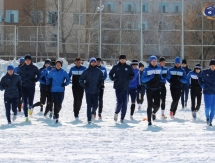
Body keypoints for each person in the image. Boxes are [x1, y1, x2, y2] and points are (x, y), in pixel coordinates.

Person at [109, 55, 134, 123]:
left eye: (124, 59)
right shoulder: (116, 67)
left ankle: (122, 118)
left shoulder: (128, 67)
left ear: (125, 60)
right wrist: (113, 79)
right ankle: (116, 113)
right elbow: (110, 74)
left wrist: (130, 77)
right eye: (121, 59)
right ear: (119, 60)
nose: (122, 60)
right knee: (120, 102)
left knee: (125, 104)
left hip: (126, 88)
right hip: (118, 87)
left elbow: (132, 75)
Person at [79, 57, 104, 124]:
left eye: (94, 62)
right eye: (92, 62)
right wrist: (85, 85)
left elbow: (102, 79)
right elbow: (80, 80)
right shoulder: (86, 71)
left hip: (96, 91)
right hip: (88, 91)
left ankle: (93, 113)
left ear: (96, 63)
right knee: (89, 105)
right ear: (90, 63)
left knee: (95, 105)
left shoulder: (99, 71)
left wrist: (100, 84)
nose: (93, 63)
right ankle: (89, 119)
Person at [17, 54, 40, 122]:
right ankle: (26, 116)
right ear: (25, 61)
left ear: (30, 60)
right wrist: (19, 81)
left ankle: (30, 107)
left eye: (28, 60)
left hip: (31, 86)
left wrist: (35, 80)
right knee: (24, 101)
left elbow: (38, 75)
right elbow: (18, 75)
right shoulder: (21, 68)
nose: (27, 61)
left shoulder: (34, 68)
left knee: (30, 101)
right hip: (23, 86)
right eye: (26, 60)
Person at [142, 56, 162, 126]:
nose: (154, 62)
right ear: (150, 61)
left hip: (157, 89)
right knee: (149, 105)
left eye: (155, 61)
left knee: (158, 105)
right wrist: (150, 77)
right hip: (149, 89)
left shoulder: (159, 68)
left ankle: (153, 113)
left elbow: (161, 76)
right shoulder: (147, 69)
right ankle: (149, 120)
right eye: (153, 61)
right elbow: (143, 80)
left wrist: (162, 79)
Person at [198, 59, 215, 126]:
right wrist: (202, 84)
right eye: (211, 65)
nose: (213, 67)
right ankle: (207, 118)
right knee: (207, 107)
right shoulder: (205, 72)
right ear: (209, 66)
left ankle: (210, 121)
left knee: (213, 108)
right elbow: (199, 78)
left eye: (214, 65)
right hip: (207, 92)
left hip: (214, 93)